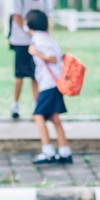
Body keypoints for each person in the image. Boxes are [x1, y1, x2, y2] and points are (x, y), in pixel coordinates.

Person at [27, 10, 72, 165]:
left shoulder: (39, 40)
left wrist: (36, 53)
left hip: (49, 84)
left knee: (38, 116)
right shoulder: (46, 37)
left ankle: (48, 151)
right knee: (53, 117)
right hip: (54, 82)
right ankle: (65, 151)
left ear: (30, 24)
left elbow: (53, 58)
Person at [9, 0, 53, 119]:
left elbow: (47, 14)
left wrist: (45, 35)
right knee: (20, 75)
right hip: (22, 40)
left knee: (36, 74)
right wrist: (28, 31)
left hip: (38, 41)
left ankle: (37, 106)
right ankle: (15, 105)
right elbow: (16, 15)